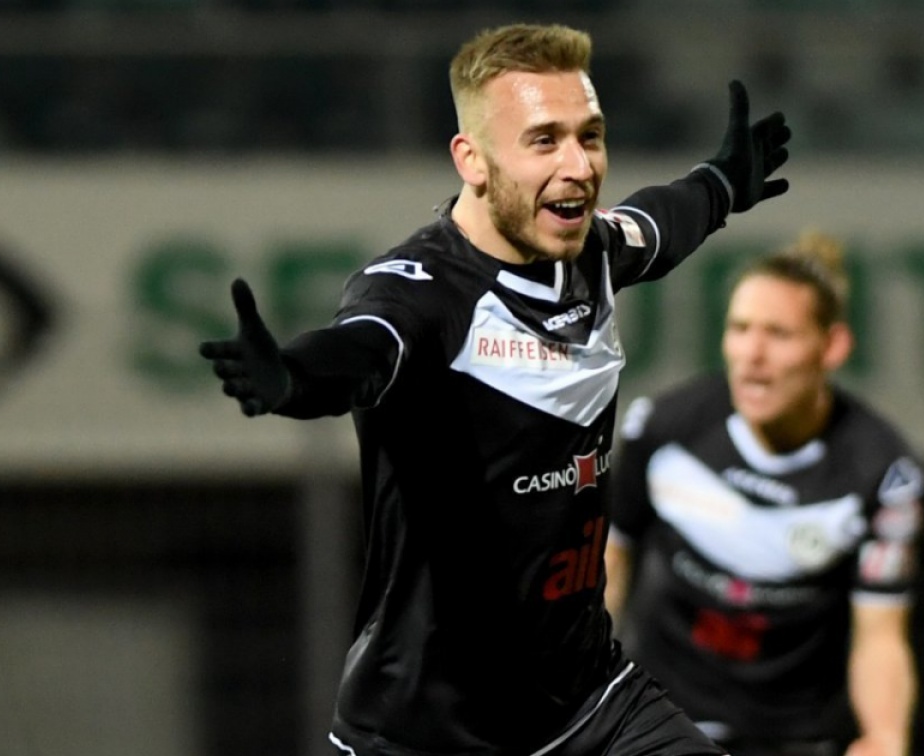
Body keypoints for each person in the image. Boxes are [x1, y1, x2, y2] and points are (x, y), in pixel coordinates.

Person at [196, 23, 791, 756]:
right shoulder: (420, 294)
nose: (578, 165)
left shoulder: (592, 253)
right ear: (471, 159)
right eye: (544, 141)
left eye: (590, 136)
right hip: (425, 735)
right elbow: (363, 349)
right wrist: (293, 378)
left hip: (592, 706)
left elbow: (661, 223)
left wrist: (722, 183)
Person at [605, 231, 924, 756]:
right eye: (739, 329)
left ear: (832, 346)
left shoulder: (880, 471)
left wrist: (884, 736)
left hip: (794, 735)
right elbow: (607, 565)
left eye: (778, 334)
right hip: (663, 718)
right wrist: (576, 694)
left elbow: (881, 634)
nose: (752, 354)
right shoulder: (665, 429)